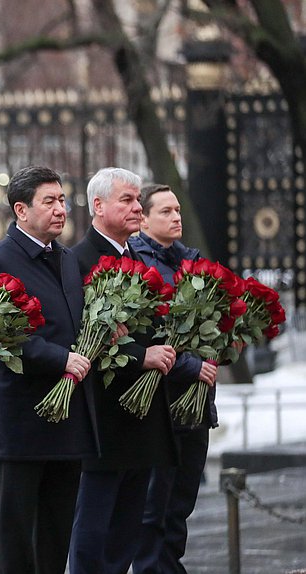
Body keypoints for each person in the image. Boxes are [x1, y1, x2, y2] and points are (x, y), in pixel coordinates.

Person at [0, 166, 97, 573]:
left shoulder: (65, 259)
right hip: (23, 421)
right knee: (18, 532)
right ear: (21, 210)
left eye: (62, 200)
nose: (60, 209)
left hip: (67, 418)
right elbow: (2, 337)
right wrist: (60, 359)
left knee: (57, 529)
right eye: (50, 201)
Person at [69, 167, 180, 574]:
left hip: (141, 415)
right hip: (103, 415)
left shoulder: (136, 256)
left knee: (128, 529)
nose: (137, 208)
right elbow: (81, 335)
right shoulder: (77, 261)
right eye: (127, 200)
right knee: (94, 528)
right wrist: (140, 355)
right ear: (98, 206)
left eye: (137, 200)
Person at [129, 184, 218, 574]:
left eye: (178, 210)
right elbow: (148, 337)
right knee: (153, 507)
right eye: (165, 212)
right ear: (143, 219)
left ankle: (170, 566)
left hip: (195, 404)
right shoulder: (137, 264)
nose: (176, 217)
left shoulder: (192, 263)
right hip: (159, 402)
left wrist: (221, 347)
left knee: (180, 504)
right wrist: (189, 366)